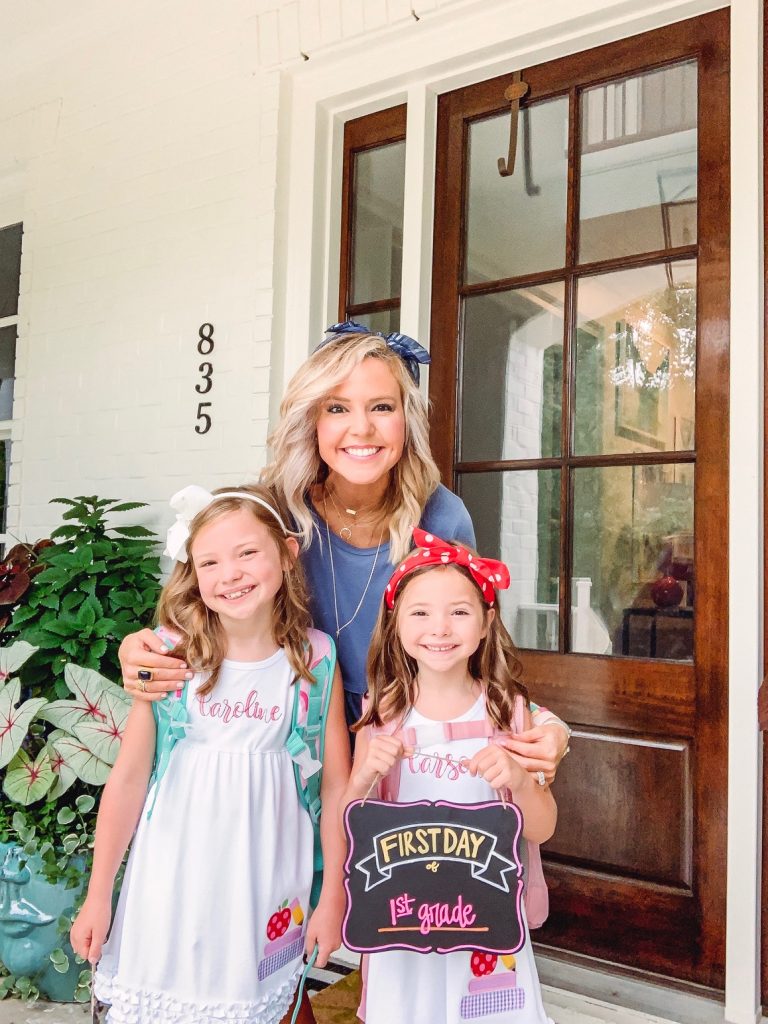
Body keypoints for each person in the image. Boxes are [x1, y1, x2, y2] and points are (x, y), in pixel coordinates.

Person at [117, 323, 569, 778]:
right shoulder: (274, 512)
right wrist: (143, 650)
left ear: (406, 419)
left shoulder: (442, 517)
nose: (362, 428)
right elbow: (204, 606)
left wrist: (548, 725)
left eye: (382, 407)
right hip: (290, 731)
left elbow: (474, 649)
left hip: (406, 735)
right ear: (312, 420)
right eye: (337, 408)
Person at [71, 484, 350, 1024]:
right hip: (173, 884)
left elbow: (336, 784)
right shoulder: (169, 657)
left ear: (286, 554)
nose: (231, 574)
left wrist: (332, 893)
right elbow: (129, 778)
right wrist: (98, 893)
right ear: (193, 573)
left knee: (263, 1005)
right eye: (210, 562)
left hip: (266, 887)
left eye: (247, 553)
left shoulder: (314, 658)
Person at [343, 529, 557, 1024]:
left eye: (459, 612)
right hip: (401, 924)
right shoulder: (381, 717)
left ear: (486, 623)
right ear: (395, 624)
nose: (439, 628)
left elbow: (544, 827)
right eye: (420, 613)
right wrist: (363, 781)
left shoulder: (508, 713)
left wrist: (519, 781)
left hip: (484, 923)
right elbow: (347, 826)